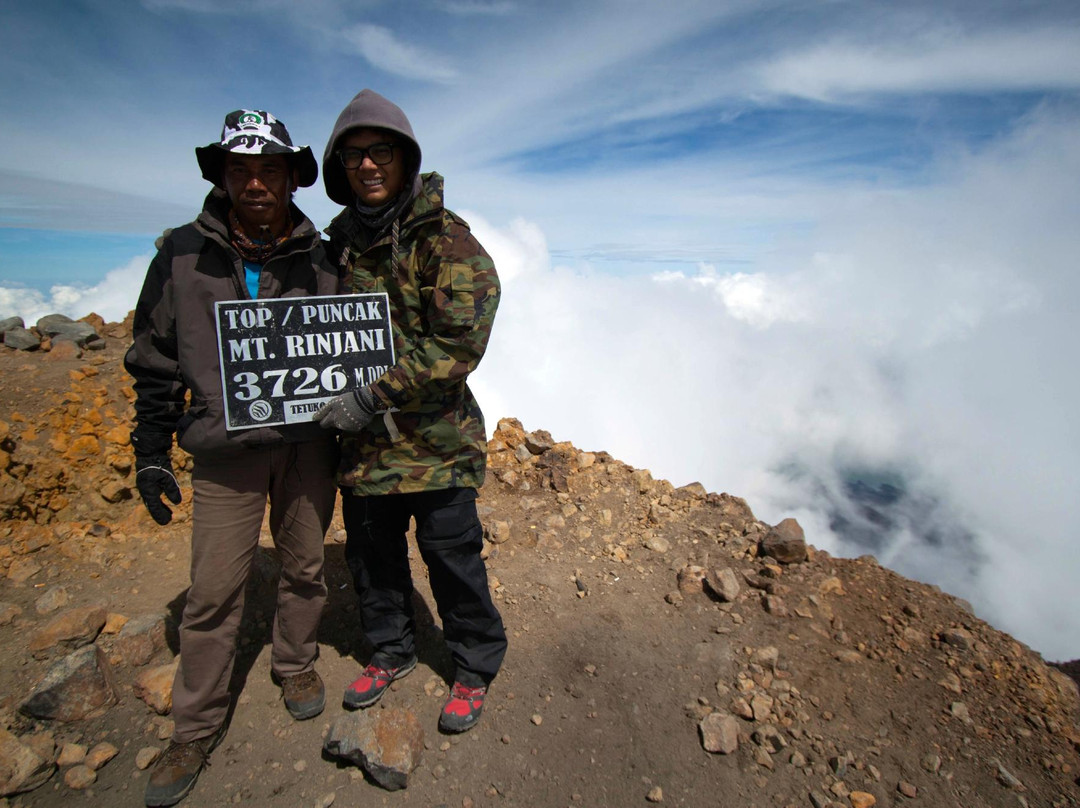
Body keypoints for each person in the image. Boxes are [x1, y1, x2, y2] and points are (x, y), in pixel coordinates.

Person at [125, 110, 341, 807]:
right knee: (214, 589)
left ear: (291, 177)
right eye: (241, 168)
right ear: (222, 174)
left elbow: (350, 349)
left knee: (306, 565)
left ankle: (296, 663)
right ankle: (195, 725)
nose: (255, 182)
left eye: (269, 169)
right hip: (224, 448)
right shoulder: (182, 253)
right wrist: (151, 449)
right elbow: (155, 357)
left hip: (308, 446)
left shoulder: (323, 255)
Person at [314, 89, 507, 733]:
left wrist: (371, 394)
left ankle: (475, 664)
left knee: (451, 555)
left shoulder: (446, 241)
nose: (367, 165)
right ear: (340, 169)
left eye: (381, 152)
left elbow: (458, 343)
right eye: (353, 156)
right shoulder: (335, 245)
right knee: (372, 556)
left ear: (405, 159)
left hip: (437, 441)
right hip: (366, 447)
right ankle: (391, 648)